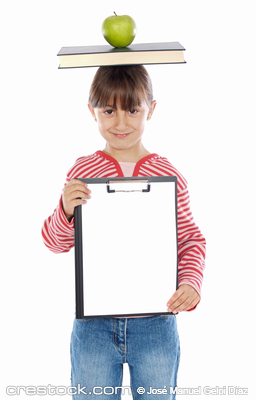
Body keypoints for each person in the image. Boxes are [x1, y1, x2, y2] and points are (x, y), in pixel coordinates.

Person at [42, 65, 206, 400]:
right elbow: (55, 242)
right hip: (94, 326)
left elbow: (190, 239)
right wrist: (66, 209)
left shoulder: (168, 173)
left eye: (132, 110)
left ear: (152, 109)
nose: (120, 122)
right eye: (108, 110)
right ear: (92, 111)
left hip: (156, 322)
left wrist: (191, 282)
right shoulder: (83, 171)